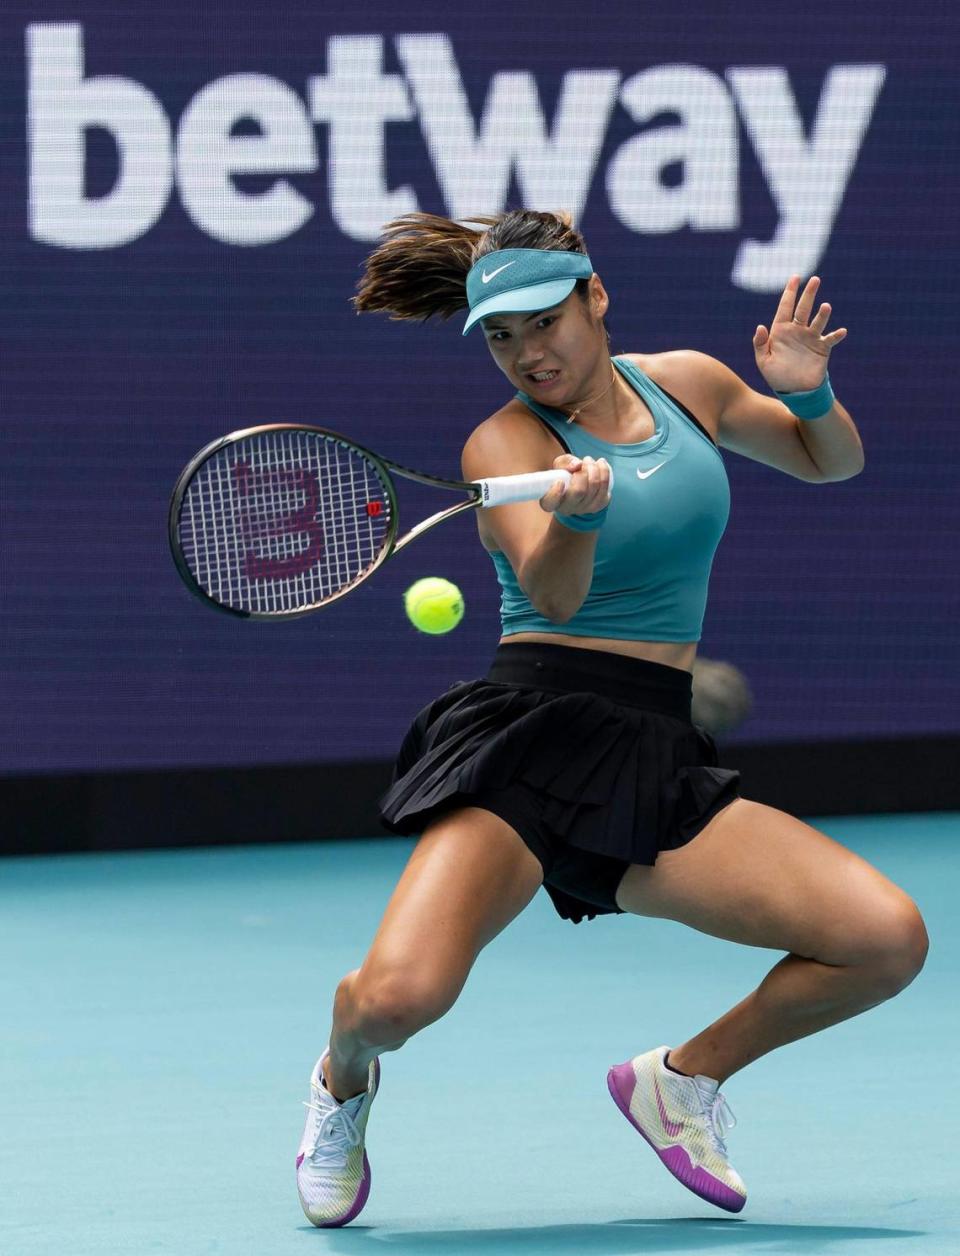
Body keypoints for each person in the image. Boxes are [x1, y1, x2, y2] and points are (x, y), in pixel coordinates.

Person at [296, 210, 928, 1227]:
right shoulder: (502, 441)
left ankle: (683, 1080)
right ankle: (342, 1076)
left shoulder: (688, 380)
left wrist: (808, 390)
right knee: (397, 999)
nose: (527, 353)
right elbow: (551, 595)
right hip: (528, 735)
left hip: (653, 745)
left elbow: (829, 461)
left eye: (545, 322)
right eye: (501, 335)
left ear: (596, 298)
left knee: (885, 938)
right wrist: (577, 522)